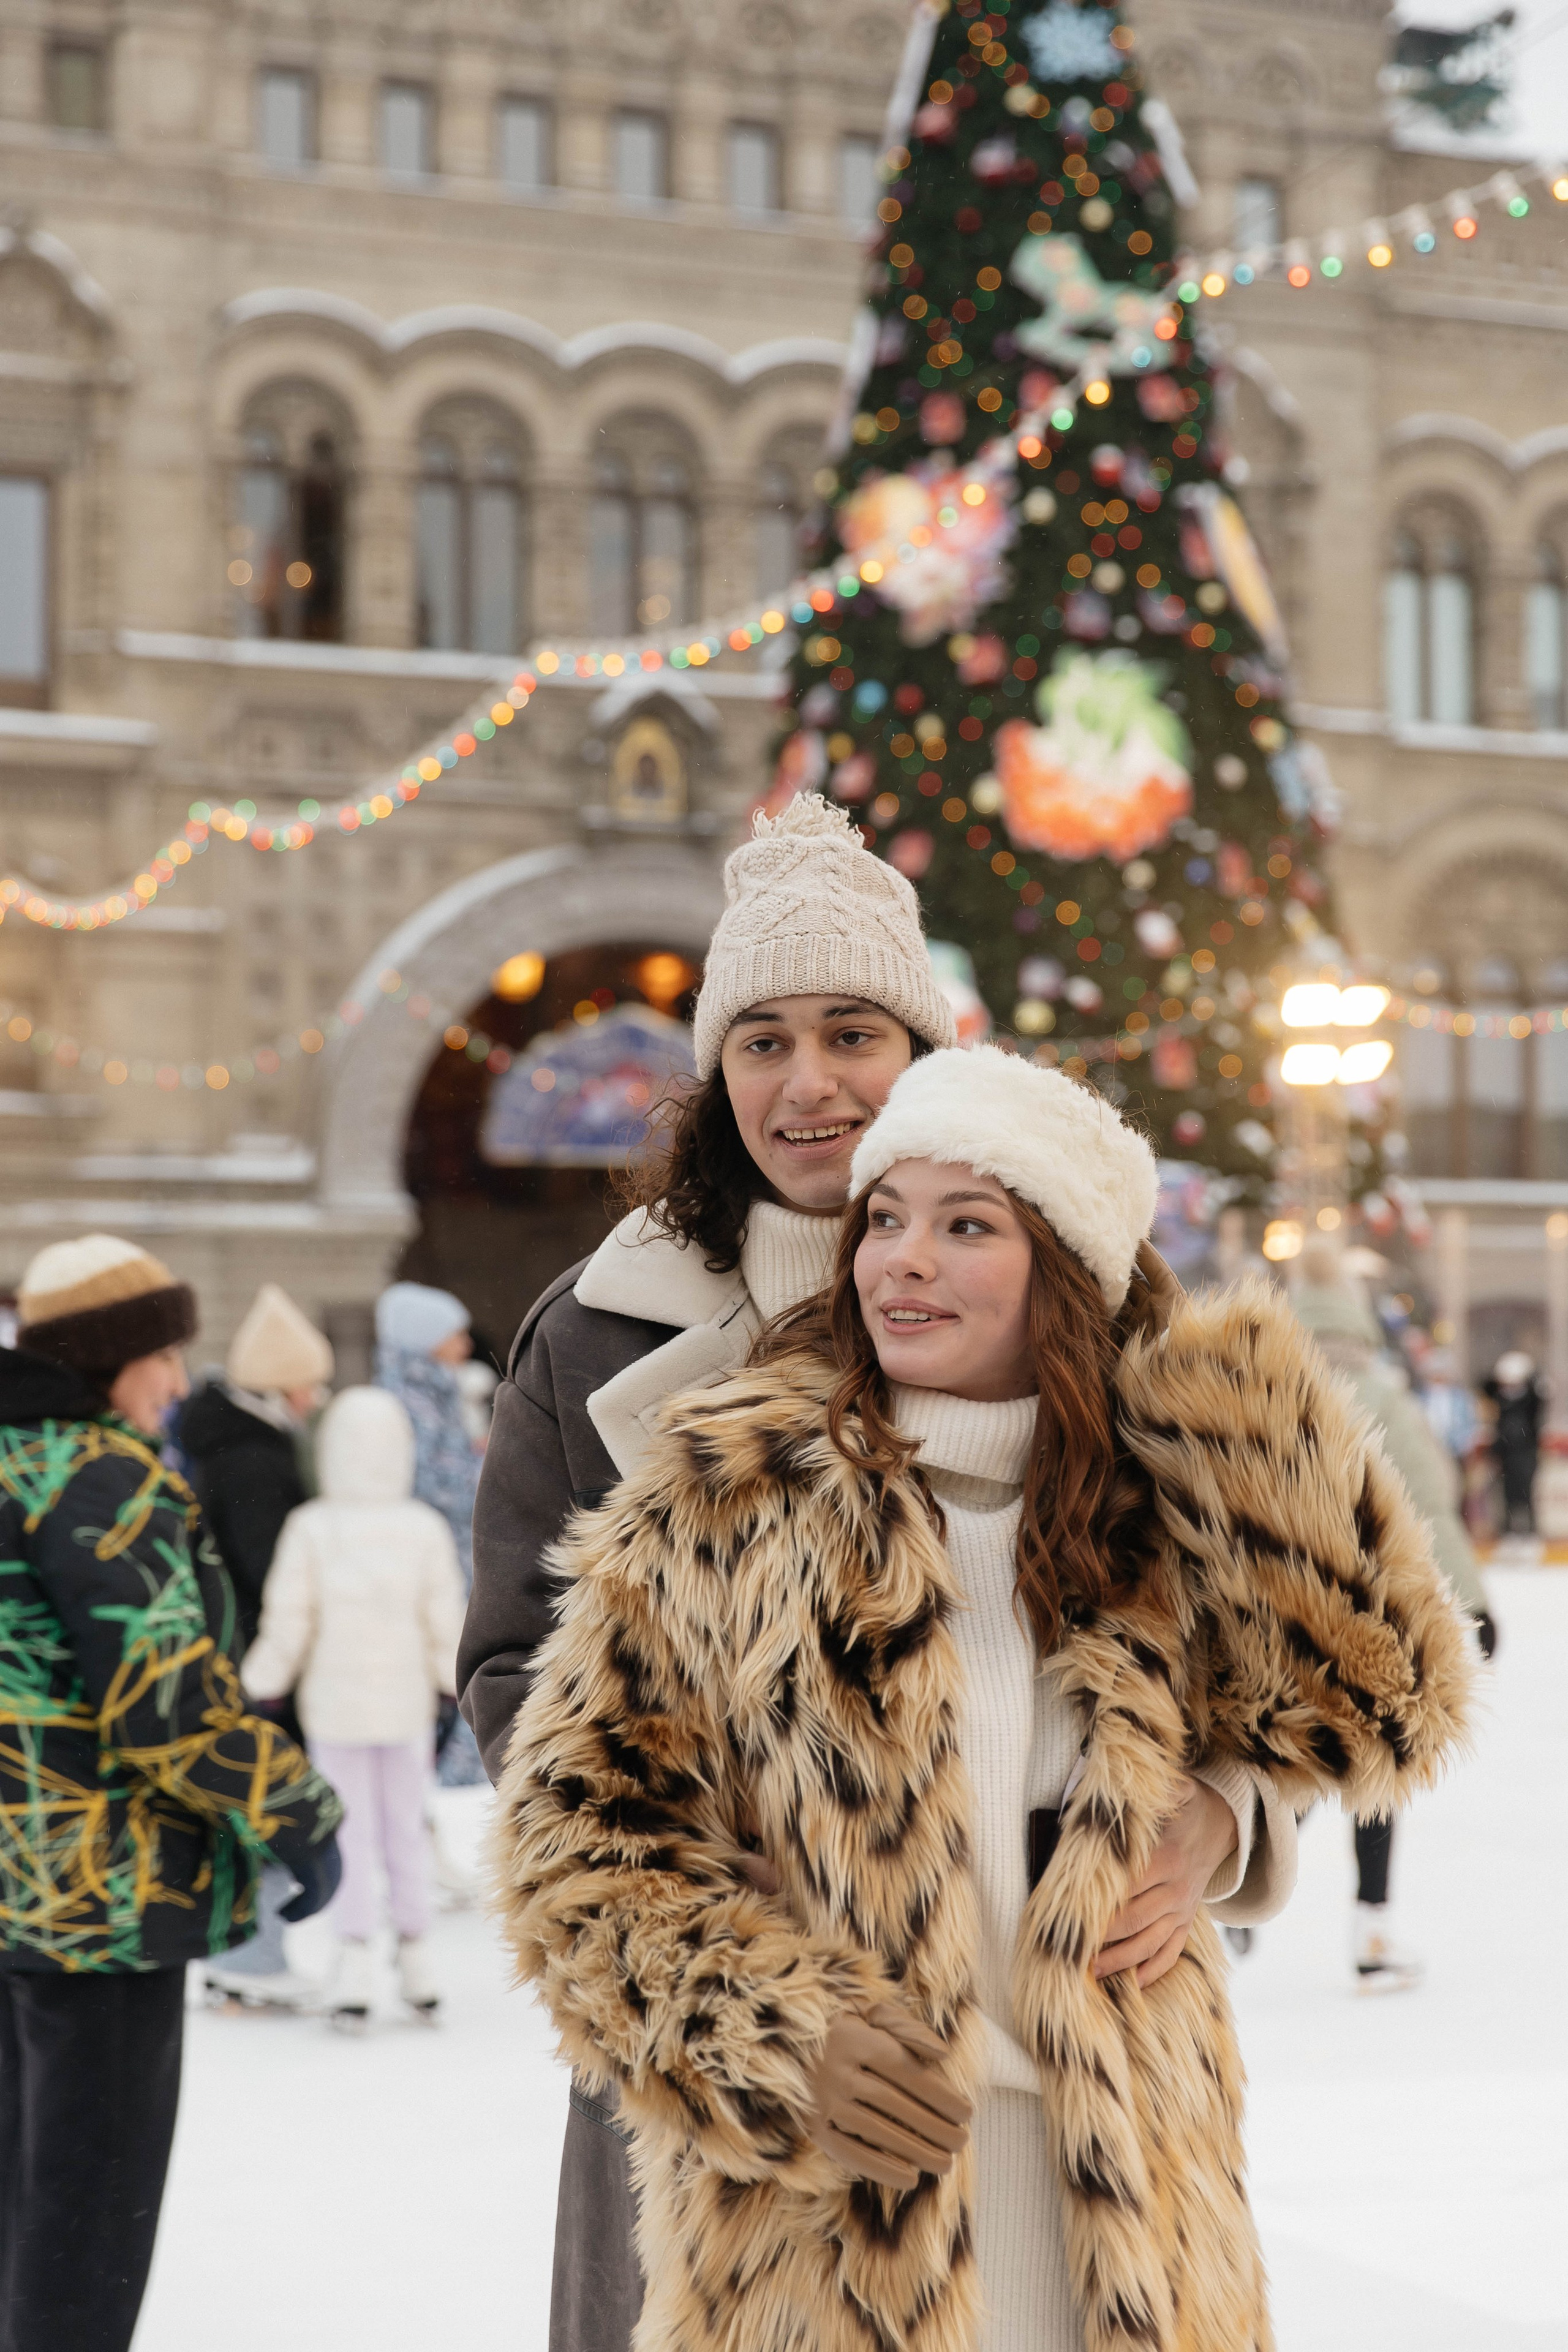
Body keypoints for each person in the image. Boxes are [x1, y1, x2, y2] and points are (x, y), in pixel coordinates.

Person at [494, 1049, 1474, 2352]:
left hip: (1129, 2229)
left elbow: (1386, 1694)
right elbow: (574, 1846)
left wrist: (1224, 1817)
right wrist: (760, 2037)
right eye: (883, 1221)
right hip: (831, 2233)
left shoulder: (1155, 1511)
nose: (903, 1259)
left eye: (967, 1227)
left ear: (1062, 1269)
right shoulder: (729, 1500)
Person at [459, 790, 960, 2352]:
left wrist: (1211, 1812)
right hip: (715, 2034)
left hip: (997, 2027)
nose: (807, 1083)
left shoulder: (1052, 1292)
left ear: (924, 1051)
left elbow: (1219, 1623)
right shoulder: (599, 1331)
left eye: (852, 1031)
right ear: (715, 1071)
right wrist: (709, 1943)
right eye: (761, 1040)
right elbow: (510, 1677)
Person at [0, 1234, 342, 2352]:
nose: (176, 1376)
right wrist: (300, 1811)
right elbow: (168, 1710)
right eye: (164, 1349)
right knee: (89, 2223)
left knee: (20, 2201)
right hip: (100, 1902)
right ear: (114, 1354)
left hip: (13, 1894)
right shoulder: (100, 1476)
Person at [1292, 1246, 1494, 1992]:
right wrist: (1474, 1600)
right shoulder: (1380, 1394)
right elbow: (1431, 1502)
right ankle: (1372, 1932)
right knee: (1376, 1769)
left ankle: (1236, 1890)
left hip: (1292, 1618)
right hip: (1378, 1619)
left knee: (1307, 1765)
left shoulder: (1275, 1387)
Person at [242, 1386, 466, 2026]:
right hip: (405, 1712)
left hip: (335, 1713)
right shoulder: (421, 1527)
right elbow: (443, 1619)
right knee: (405, 1829)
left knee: (348, 1832)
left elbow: (290, 1620)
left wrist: (257, 1683)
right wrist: (456, 1683)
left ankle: (355, 1957)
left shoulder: (312, 1526)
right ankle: (417, 1953)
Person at [178, 1281, 336, 2010]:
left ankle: (246, 1953)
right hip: (254, 1653)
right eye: (310, 1382)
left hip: (241, 1644)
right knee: (265, 1789)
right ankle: (252, 1956)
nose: (317, 1396)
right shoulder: (254, 1456)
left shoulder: (235, 1443)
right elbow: (266, 1566)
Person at [377, 1280, 486, 1790]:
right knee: (459, 1659)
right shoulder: (411, 1400)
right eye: (455, 1334)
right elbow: (432, 1482)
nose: (464, 1346)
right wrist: (488, 1470)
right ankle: (454, 1777)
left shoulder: (430, 1390)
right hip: (439, 1555)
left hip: (453, 1550)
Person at [1483, 1348, 1548, 1534]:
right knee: (1507, 1493)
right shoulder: (1502, 1397)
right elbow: (1487, 1387)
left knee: (1528, 1491)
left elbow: (1539, 1400)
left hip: (1526, 1452)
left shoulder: (1529, 1399)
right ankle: (1507, 1527)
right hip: (1506, 1452)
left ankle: (1530, 1528)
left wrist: (1530, 1374)